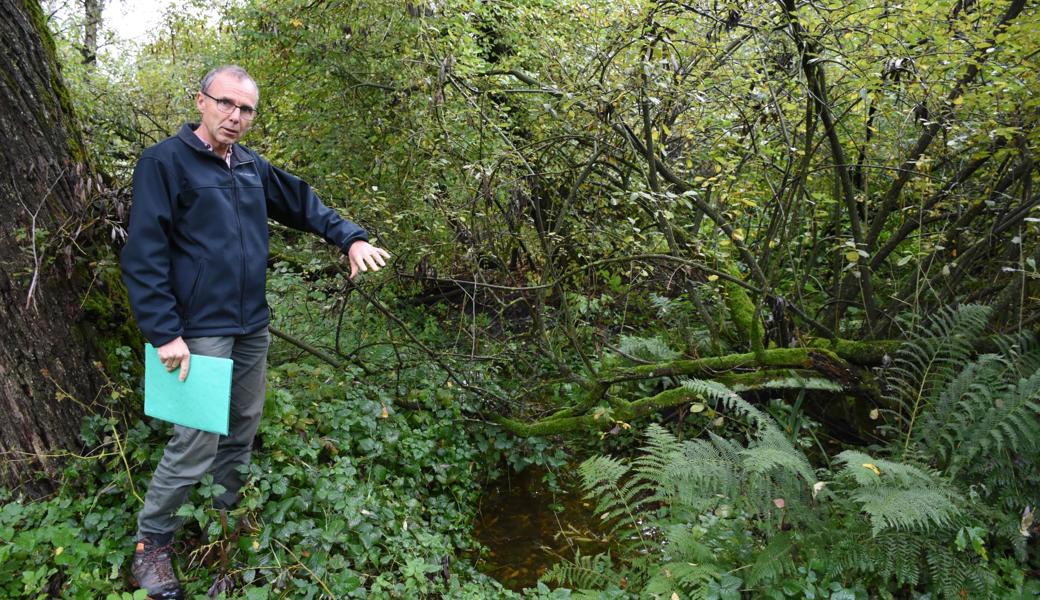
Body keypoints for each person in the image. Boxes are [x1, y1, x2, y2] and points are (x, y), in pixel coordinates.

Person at [120, 65, 389, 599]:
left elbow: (303, 203)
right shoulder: (164, 162)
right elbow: (143, 253)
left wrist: (351, 239)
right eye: (226, 104)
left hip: (251, 328)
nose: (235, 117)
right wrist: (163, 331)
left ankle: (221, 533)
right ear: (201, 102)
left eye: (246, 110)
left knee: (240, 431)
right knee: (195, 440)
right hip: (196, 331)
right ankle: (152, 547)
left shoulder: (250, 166)